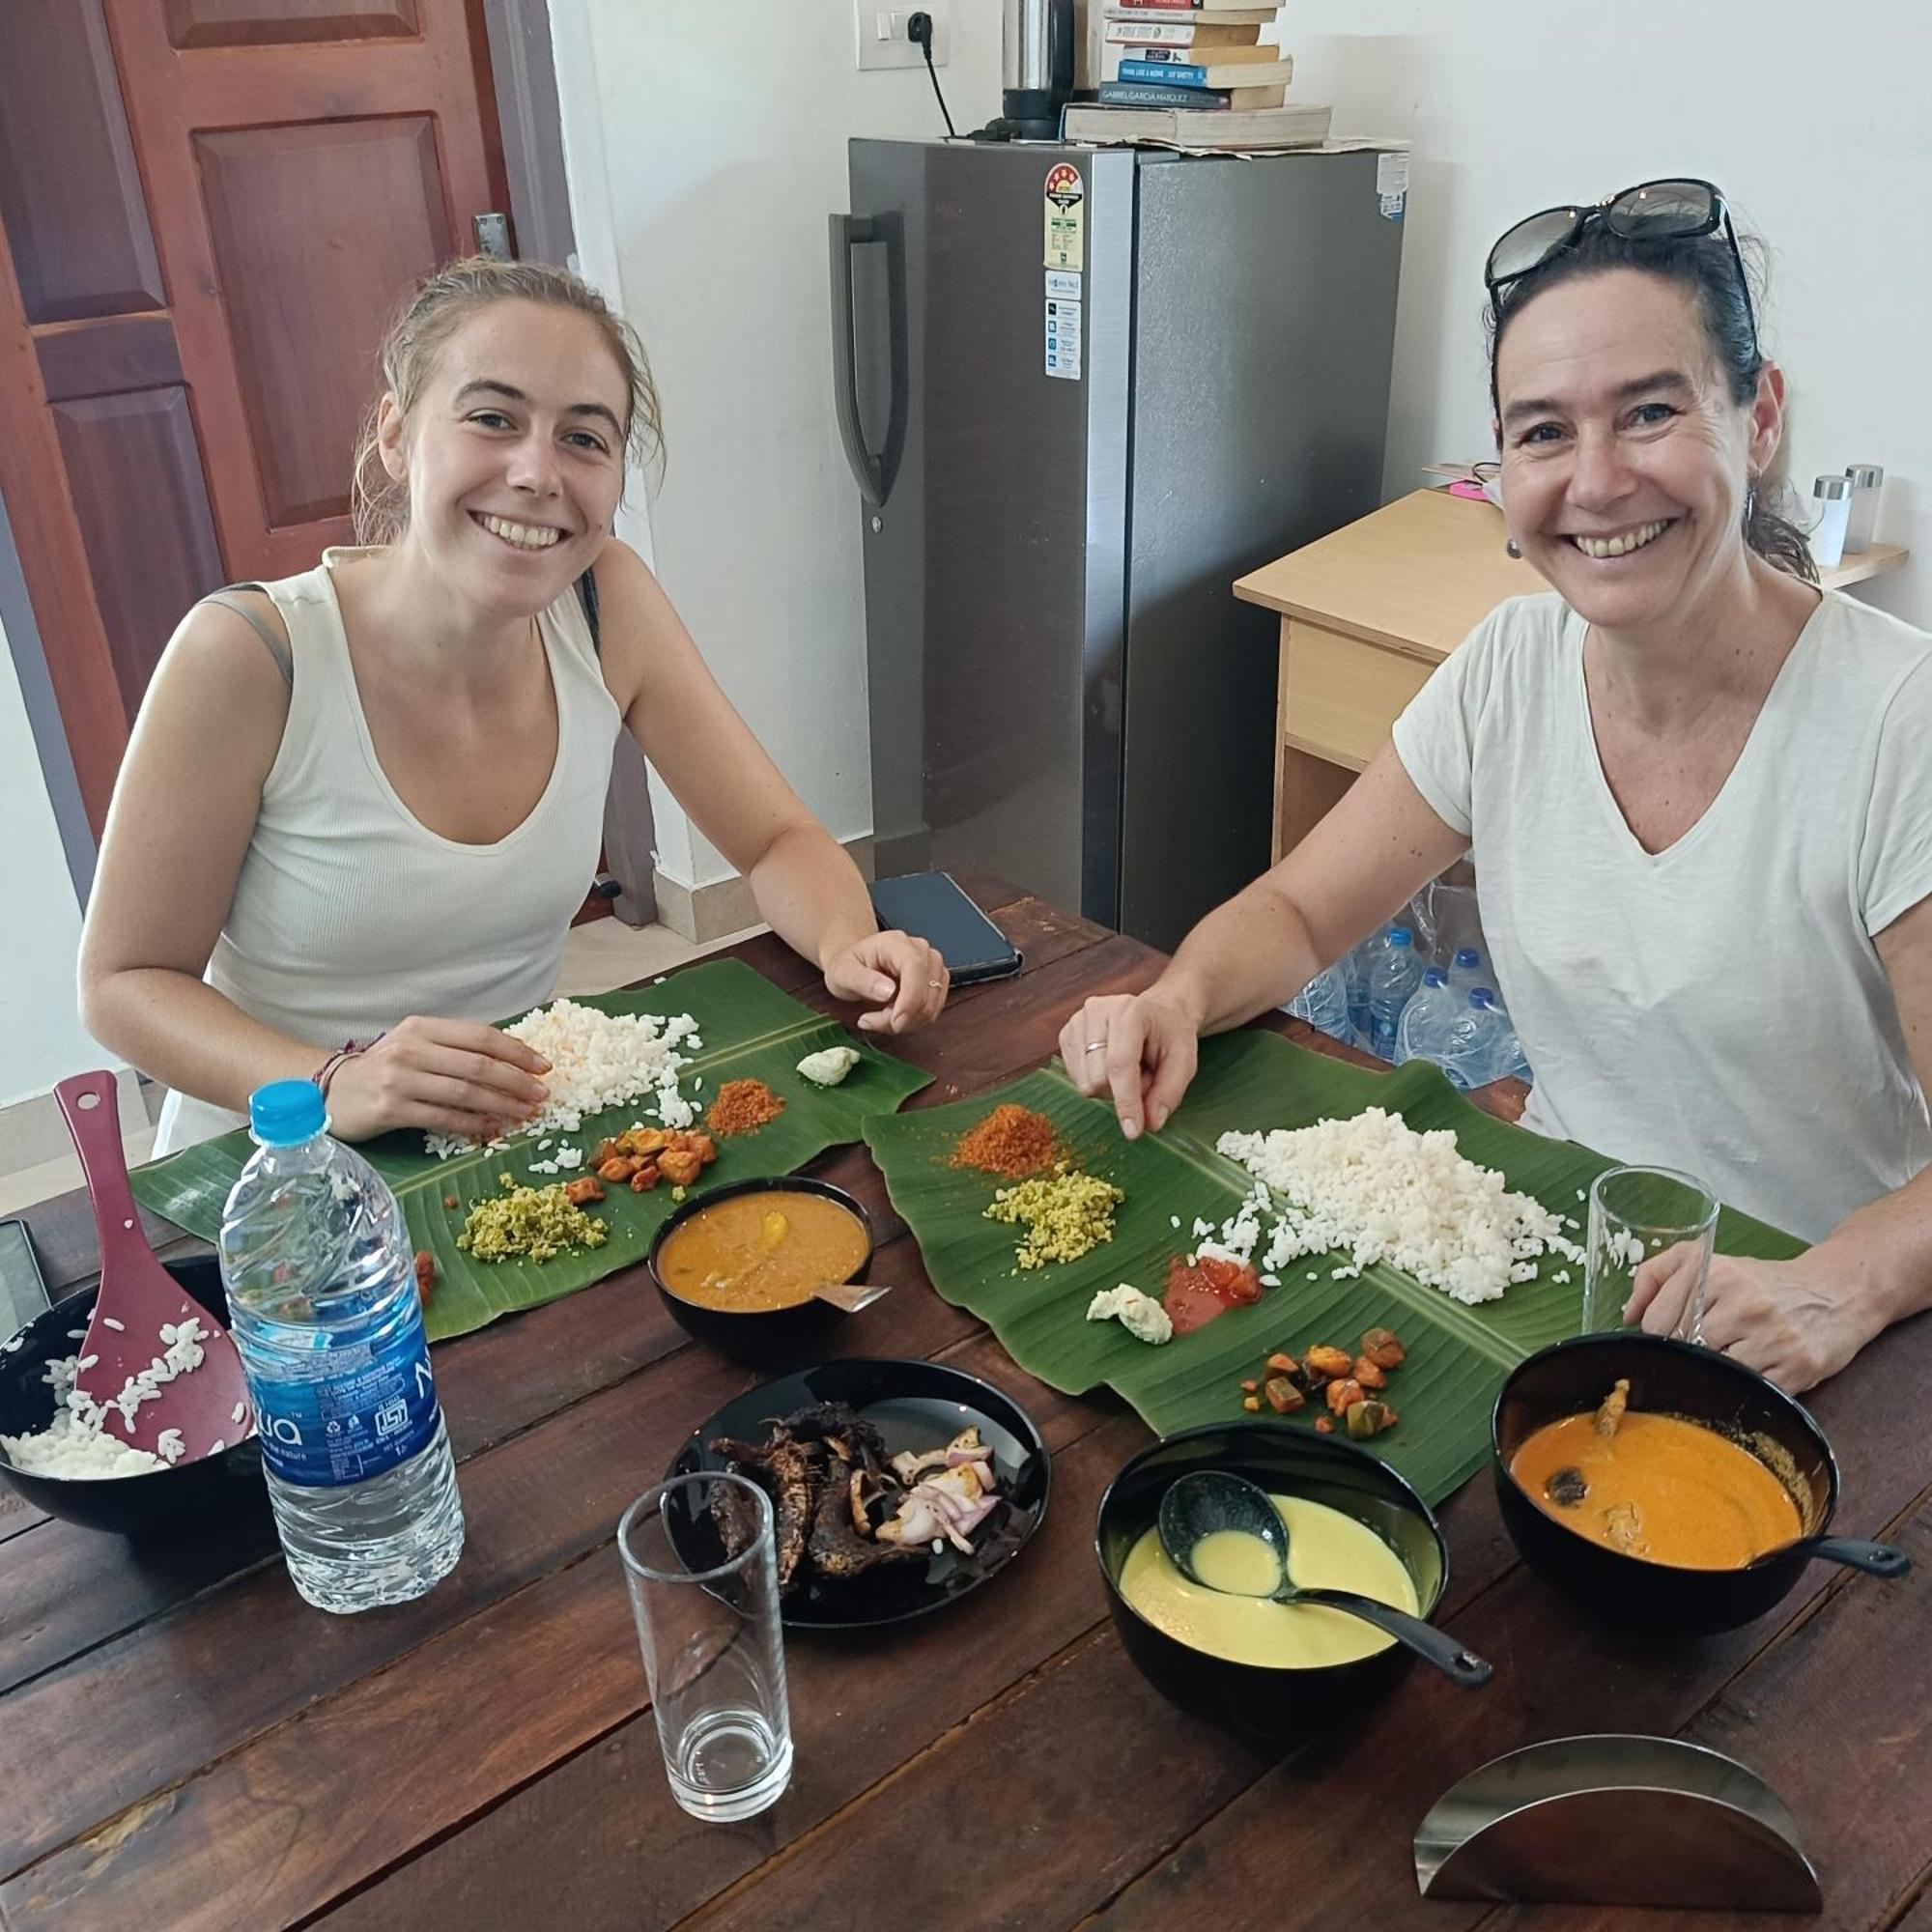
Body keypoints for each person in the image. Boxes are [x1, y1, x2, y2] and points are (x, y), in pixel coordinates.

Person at [1058, 180, 1932, 1393]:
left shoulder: (1898, 722)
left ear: (1760, 416)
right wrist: (1178, 994)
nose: (1595, 479)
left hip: (1809, 1324)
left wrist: (1838, 1281)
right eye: (1540, 432)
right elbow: (1301, 914)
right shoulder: (1507, 670)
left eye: (1648, 412)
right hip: (1546, 1260)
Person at [79, 258, 949, 1156]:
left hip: (507, 1144)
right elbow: (124, 982)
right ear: (395, 434)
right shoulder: (252, 654)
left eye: (584, 438)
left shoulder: (605, 602)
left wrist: (848, 943)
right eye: (493, 419)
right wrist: (332, 1079)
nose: (537, 473)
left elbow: (776, 840)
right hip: (281, 1174)